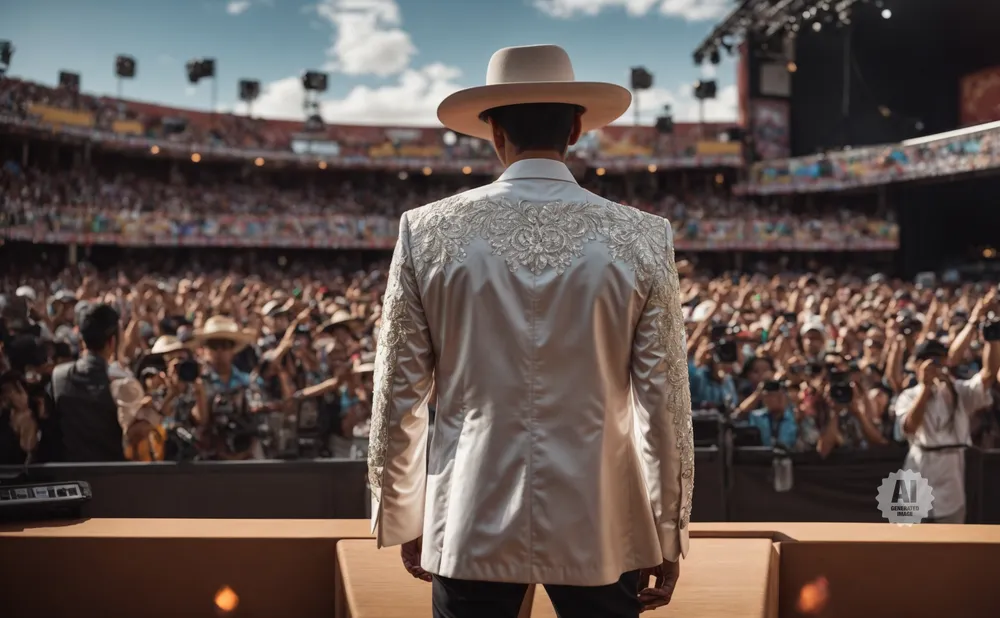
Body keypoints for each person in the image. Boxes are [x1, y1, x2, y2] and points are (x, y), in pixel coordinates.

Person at [369, 44, 692, 618]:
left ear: (494, 132)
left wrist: (404, 514)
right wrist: (668, 530)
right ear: (576, 128)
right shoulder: (643, 236)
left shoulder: (426, 231)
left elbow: (399, 393)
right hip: (601, 521)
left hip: (469, 515)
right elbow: (663, 404)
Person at [894, 337, 999, 523]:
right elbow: (909, 427)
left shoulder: (959, 391)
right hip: (918, 465)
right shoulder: (908, 395)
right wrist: (925, 388)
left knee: (951, 536)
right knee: (908, 535)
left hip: (951, 470)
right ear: (917, 365)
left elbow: (988, 375)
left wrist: (992, 339)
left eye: (939, 360)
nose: (935, 366)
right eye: (929, 360)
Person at [47, 303, 129, 461]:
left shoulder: (58, 376)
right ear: (112, 342)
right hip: (115, 477)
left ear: (81, 338)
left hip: (67, 476)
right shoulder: (122, 383)